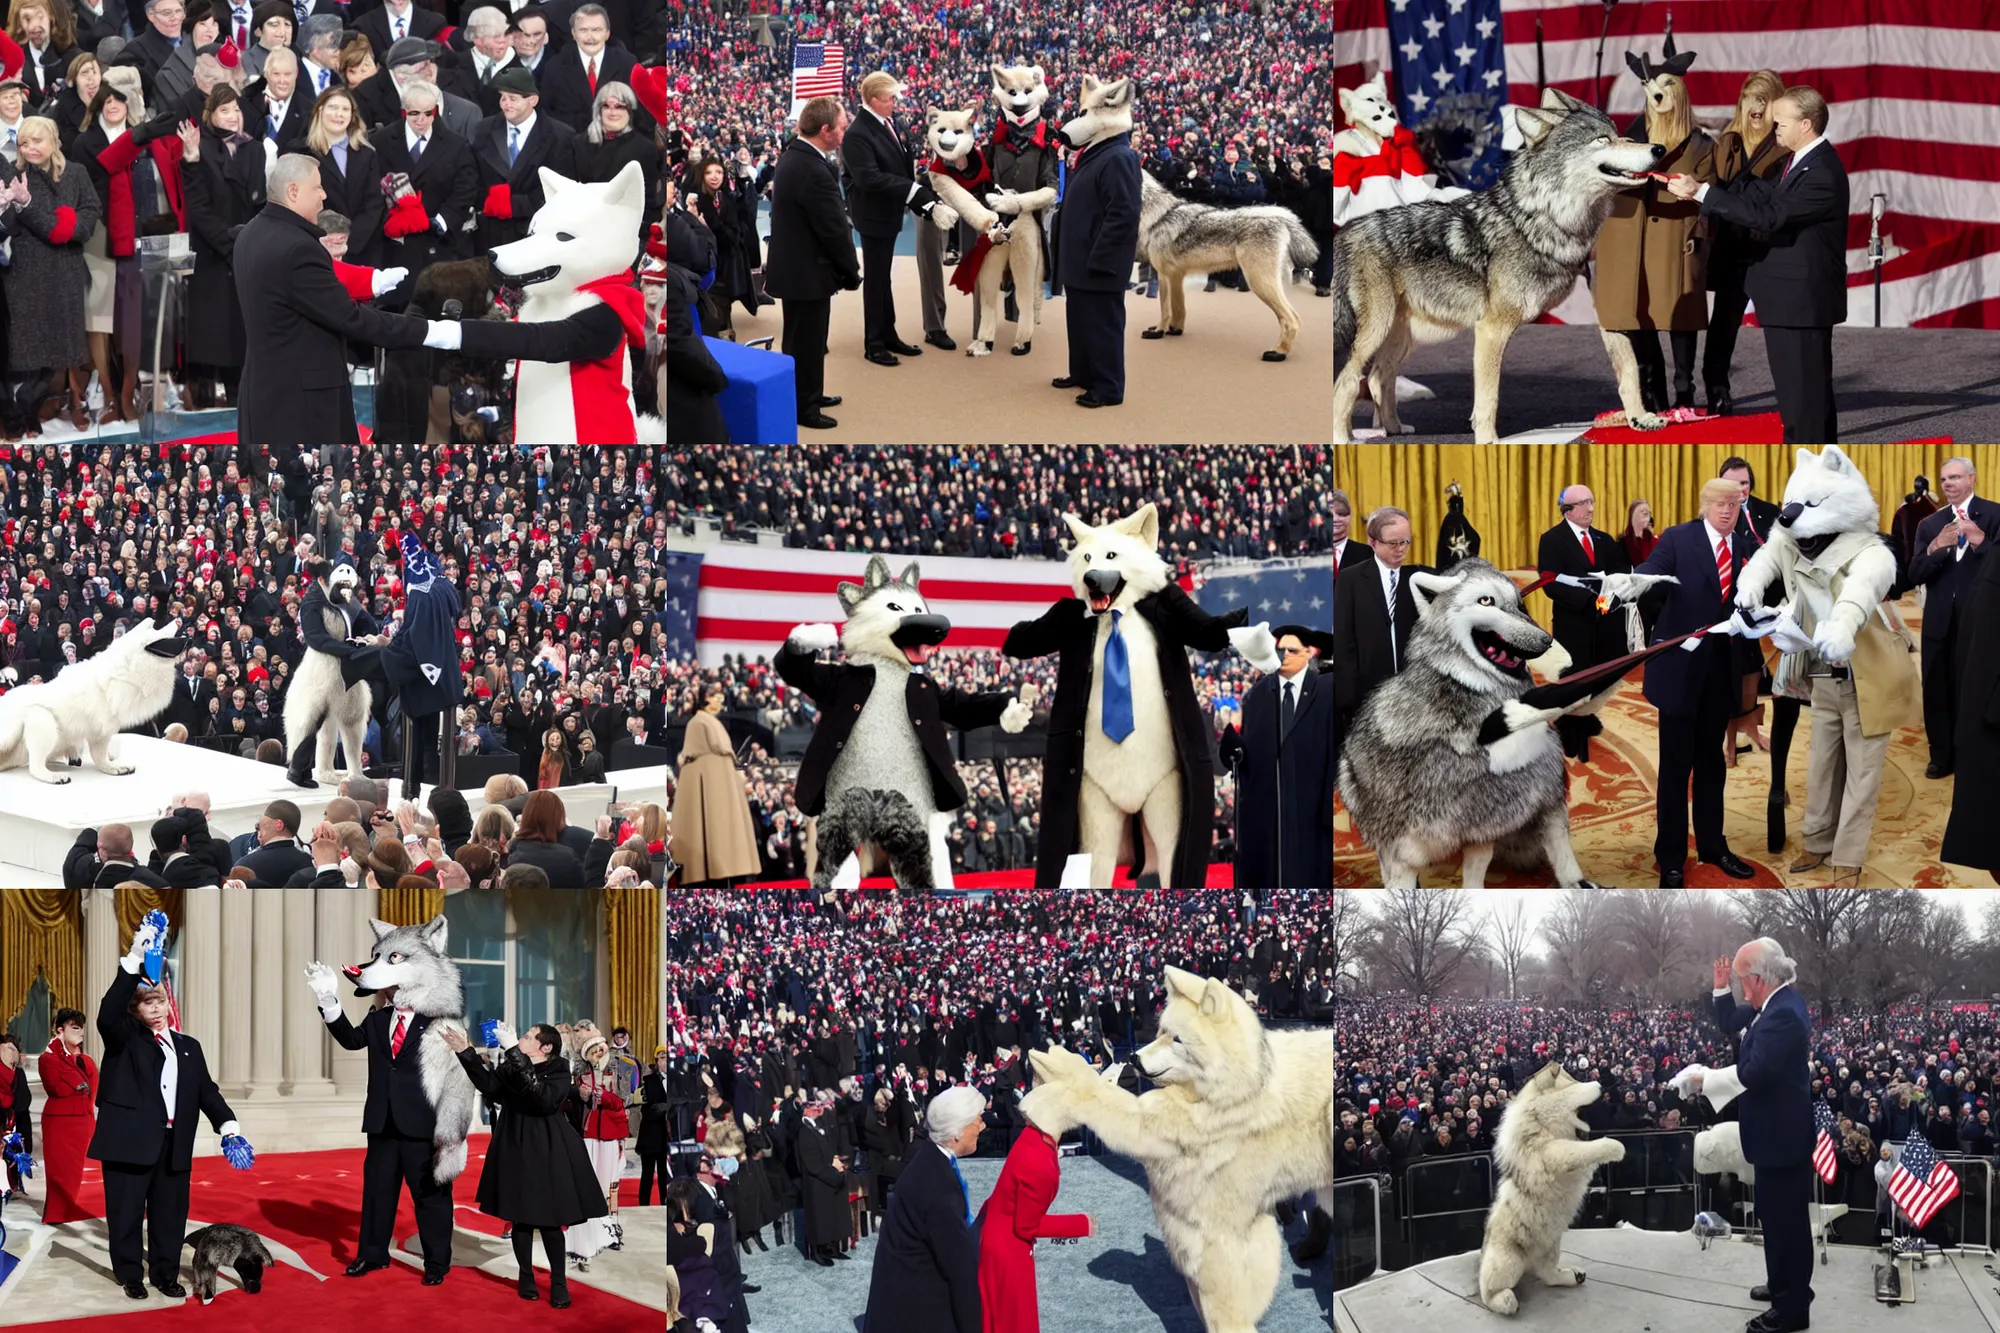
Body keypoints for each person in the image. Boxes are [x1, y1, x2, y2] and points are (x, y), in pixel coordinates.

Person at [1669, 86, 1848, 443]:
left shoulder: (1822, 173)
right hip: (1789, 302)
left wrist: (1702, 194)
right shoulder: (1799, 161)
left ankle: (1808, 465)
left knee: (1804, 402)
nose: (1773, 128)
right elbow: (1767, 197)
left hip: (1801, 304)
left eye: (1780, 122)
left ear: (1806, 124)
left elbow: (1771, 216)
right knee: (1802, 398)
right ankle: (1818, 457)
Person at [90, 916, 246, 1300]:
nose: (156, 1009)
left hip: (173, 1143)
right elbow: (106, 1014)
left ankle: (164, 1273)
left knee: (170, 1216)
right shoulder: (124, 1038)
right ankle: (129, 1274)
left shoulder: (188, 1045)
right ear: (136, 1009)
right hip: (130, 1141)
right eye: (147, 1003)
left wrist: (228, 1125)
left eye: (159, 1001)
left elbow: (206, 1091)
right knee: (126, 1214)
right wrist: (132, 961)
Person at [231, 152, 429, 444]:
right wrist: (426, 331)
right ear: (293, 191)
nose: (324, 195)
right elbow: (349, 316)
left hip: (263, 394)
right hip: (303, 404)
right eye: (317, 187)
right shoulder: (298, 248)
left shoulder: (250, 234)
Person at [1631, 478, 1760, 885]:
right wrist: (1631, 583)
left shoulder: (1743, 548)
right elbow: (1651, 574)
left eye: (1734, 505)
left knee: (1712, 765)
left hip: (1721, 674)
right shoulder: (1677, 538)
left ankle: (1712, 845)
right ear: (1704, 505)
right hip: (1680, 675)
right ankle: (1670, 857)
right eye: (1719, 504)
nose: (1727, 511)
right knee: (1674, 769)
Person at [307, 948, 455, 1284]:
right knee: (376, 1193)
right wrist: (329, 1000)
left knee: (430, 1198)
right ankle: (372, 1255)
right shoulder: (376, 1021)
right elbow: (351, 1040)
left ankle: (436, 1264)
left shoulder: (437, 1021)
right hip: (382, 1123)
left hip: (423, 1126)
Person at [1693, 941, 1813, 1333]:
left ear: (1760, 980)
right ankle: (1785, 1287)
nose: (1742, 987)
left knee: (1785, 1225)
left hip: (1782, 1139)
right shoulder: (1773, 1005)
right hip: (1775, 1138)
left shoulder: (1783, 1016)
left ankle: (1791, 1309)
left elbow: (1754, 1072)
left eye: (1743, 980)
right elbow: (1731, 1020)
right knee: (1777, 1219)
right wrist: (1720, 987)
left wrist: (1705, 1079)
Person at [443, 1022, 605, 1307]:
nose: (521, 1038)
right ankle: (526, 1275)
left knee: (551, 1219)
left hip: (547, 1145)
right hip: (514, 1142)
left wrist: (512, 1052)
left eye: (529, 1037)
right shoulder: (512, 1064)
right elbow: (489, 1085)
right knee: (521, 1217)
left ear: (546, 1047)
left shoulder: (559, 1067)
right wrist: (465, 1052)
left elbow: (542, 1099)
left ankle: (558, 1282)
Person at [764, 95, 859, 430]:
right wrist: (851, 270)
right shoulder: (811, 167)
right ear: (825, 130)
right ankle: (805, 408)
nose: (844, 132)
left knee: (805, 340)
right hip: (807, 273)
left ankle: (809, 394)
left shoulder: (796, 155)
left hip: (798, 269)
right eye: (842, 127)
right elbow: (833, 228)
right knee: (806, 342)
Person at [842, 71, 950, 366]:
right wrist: (912, 189)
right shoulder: (857, 134)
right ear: (874, 99)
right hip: (873, 215)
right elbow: (868, 178)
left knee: (883, 278)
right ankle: (874, 343)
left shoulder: (891, 123)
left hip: (890, 211)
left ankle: (887, 333)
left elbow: (901, 163)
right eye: (890, 97)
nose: (895, 101)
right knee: (876, 279)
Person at [4, 115, 99, 435]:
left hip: (67, 272)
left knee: (59, 351)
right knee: (31, 355)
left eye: (37, 141)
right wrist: (20, 205)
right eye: (24, 143)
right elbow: (18, 225)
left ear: (53, 140)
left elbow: (91, 210)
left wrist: (71, 228)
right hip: (26, 276)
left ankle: (31, 409)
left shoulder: (77, 173)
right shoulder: (16, 177)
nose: (30, 148)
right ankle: (24, 414)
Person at [976, 1072, 1091, 1333]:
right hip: (1010, 1253)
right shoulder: (1041, 1162)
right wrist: (1080, 1225)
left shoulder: (1030, 1138)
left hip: (996, 1243)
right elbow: (1026, 1227)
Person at [863, 1084, 984, 1333]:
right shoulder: (939, 1189)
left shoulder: (928, 1159)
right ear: (956, 1134)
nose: (982, 1127)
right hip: (919, 1313)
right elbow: (959, 1270)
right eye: (977, 1121)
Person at [1703, 70, 1789, 415]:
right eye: (1748, 98)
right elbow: (1711, 188)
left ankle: (1791, 389)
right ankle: (1716, 387)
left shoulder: (1786, 146)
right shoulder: (1728, 143)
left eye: (1762, 100)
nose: (1754, 106)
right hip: (1733, 249)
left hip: (1770, 251)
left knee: (1779, 326)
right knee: (1723, 323)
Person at [1052, 86, 1141, 409]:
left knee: (1102, 325)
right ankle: (1083, 374)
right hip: (1080, 260)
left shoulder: (1119, 156)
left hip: (1099, 262)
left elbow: (1124, 212)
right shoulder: (1096, 153)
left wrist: (1101, 256)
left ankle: (1108, 387)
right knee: (1079, 321)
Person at [1225, 625, 1334, 887]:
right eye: (1279, 649)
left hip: (1313, 814)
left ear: (1310, 652)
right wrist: (1234, 751)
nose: (1284, 655)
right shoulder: (1256, 697)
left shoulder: (1328, 690)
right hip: (1268, 818)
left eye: (1292, 650)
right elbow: (1250, 759)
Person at [1908, 457, 1995, 780]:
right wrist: (1935, 547)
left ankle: (1972, 754)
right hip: (1938, 621)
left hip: (1980, 621)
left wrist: (1982, 543)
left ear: (1972, 479)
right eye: (1944, 479)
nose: (1948, 484)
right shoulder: (1930, 525)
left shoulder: (1995, 515)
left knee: (1974, 687)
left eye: (1955, 477)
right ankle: (1940, 756)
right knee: (1936, 687)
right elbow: (1913, 572)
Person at [180, 85, 263, 408]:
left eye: (236, 110)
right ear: (211, 114)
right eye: (224, 110)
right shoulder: (200, 146)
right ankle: (203, 392)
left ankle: (240, 390)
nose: (232, 116)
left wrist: (246, 239)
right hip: (212, 250)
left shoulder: (254, 149)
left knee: (241, 324)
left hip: (246, 247)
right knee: (212, 325)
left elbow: (259, 199)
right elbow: (197, 204)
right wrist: (227, 240)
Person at [1537, 486, 1632, 763]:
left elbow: (1620, 571)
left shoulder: (1603, 539)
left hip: (1604, 623)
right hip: (1573, 623)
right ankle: (1568, 726)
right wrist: (1587, 600)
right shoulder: (1552, 539)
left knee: (1598, 674)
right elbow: (1549, 581)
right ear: (1568, 510)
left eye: (1592, 501)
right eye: (1584, 503)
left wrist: (1608, 596)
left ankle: (1586, 717)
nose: (1591, 508)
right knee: (1574, 678)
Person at [1332, 506, 1424, 729]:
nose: (1401, 549)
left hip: (1414, 701)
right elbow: (1344, 644)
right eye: (1393, 543)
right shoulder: (1350, 580)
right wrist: (1349, 703)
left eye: (1406, 542)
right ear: (1372, 542)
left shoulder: (1421, 577)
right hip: (1367, 702)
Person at [1721, 457, 1781, 764]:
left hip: (1767, 605)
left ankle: (1752, 730)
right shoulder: (1719, 515)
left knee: (1754, 674)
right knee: (1734, 674)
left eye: (1744, 482)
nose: (1741, 489)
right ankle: (1730, 741)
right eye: (1733, 483)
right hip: (1731, 609)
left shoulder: (1770, 512)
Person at [670, 687, 760, 886]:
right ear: (707, 699)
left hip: (714, 779)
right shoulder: (699, 723)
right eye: (717, 698)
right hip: (707, 779)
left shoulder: (708, 727)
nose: (721, 703)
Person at [36, 1009, 99, 1224]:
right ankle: (55, 1214)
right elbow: (56, 1088)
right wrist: (76, 1082)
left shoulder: (86, 1061)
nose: (80, 1032)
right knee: (59, 1171)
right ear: (60, 1030)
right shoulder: (48, 1058)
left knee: (74, 1171)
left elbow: (91, 1091)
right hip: (59, 1122)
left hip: (81, 1120)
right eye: (75, 1027)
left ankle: (68, 1210)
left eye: (81, 1027)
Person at [796, 1089, 850, 1265]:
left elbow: (826, 1151)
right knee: (819, 1218)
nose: (819, 1109)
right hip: (816, 1183)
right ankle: (817, 1251)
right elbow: (814, 1164)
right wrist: (834, 1177)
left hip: (826, 1177)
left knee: (831, 1215)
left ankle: (831, 1247)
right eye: (815, 1106)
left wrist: (836, 1163)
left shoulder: (817, 1125)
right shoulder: (804, 1131)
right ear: (806, 1109)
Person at [637, 1046, 671, 1205]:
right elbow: (649, 1108)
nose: (665, 1061)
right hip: (651, 1135)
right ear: (657, 1062)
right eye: (662, 1058)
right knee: (647, 1174)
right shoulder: (648, 1081)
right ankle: (643, 1206)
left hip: (668, 1136)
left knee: (665, 1174)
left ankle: (666, 1205)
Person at [0, 1033, 29, 1200]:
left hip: (12, 1118)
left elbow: (24, 1099)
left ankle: (11, 1184)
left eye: (13, 1049)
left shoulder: (17, 1074)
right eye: (6, 1048)